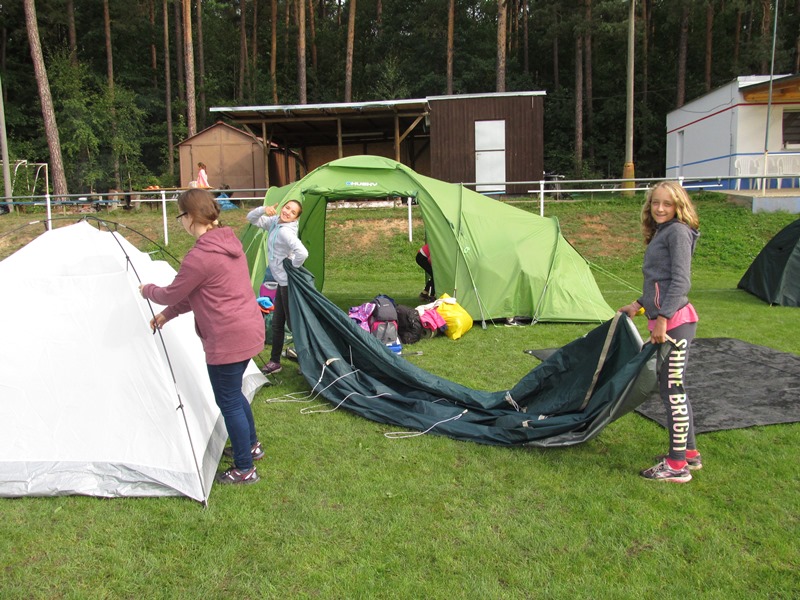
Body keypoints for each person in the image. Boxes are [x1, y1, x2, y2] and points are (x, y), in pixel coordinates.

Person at [140, 189, 265, 485]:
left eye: (180, 215)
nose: (181, 221)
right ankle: (251, 446)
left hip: (227, 337)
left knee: (228, 401)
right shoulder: (228, 243)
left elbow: (171, 293)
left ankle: (245, 468)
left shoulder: (200, 256)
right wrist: (167, 315)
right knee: (234, 394)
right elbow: (195, 293)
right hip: (248, 329)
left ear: (191, 216)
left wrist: (147, 290)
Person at [619, 180, 701, 484]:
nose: (660, 208)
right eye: (656, 202)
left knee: (672, 390)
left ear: (679, 206)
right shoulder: (664, 231)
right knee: (674, 387)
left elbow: (680, 282)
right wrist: (638, 305)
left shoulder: (677, 232)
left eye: (667, 203)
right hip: (670, 320)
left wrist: (663, 319)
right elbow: (659, 281)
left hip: (675, 323)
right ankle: (689, 453)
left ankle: (677, 466)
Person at [247, 199, 309, 375]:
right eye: (287, 207)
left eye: (293, 212)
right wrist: (263, 209)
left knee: (293, 324)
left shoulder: (285, 232)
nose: (288, 212)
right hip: (282, 283)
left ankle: (306, 363)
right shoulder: (275, 222)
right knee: (277, 323)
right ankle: (275, 362)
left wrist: (292, 267)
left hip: (288, 284)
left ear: (296, 218)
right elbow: (251, 218)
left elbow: (303, 253)